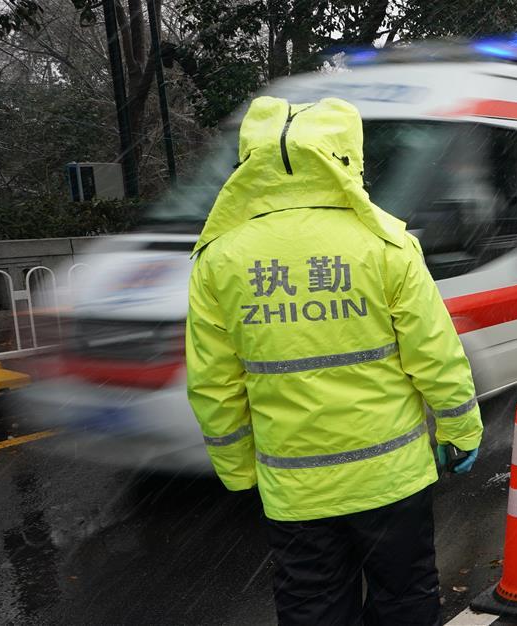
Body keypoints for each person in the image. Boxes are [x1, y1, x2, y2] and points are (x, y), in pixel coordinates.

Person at [186, 96, 484, 625]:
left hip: (294, 492)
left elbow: (214, 384)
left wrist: (236, 469)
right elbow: (436, 355)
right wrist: (460, 430)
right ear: (347, 156)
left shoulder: (220, 258)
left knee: (313, 607)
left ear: (249, 159)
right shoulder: (385, 244)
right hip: (392, 480)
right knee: (404, 599)